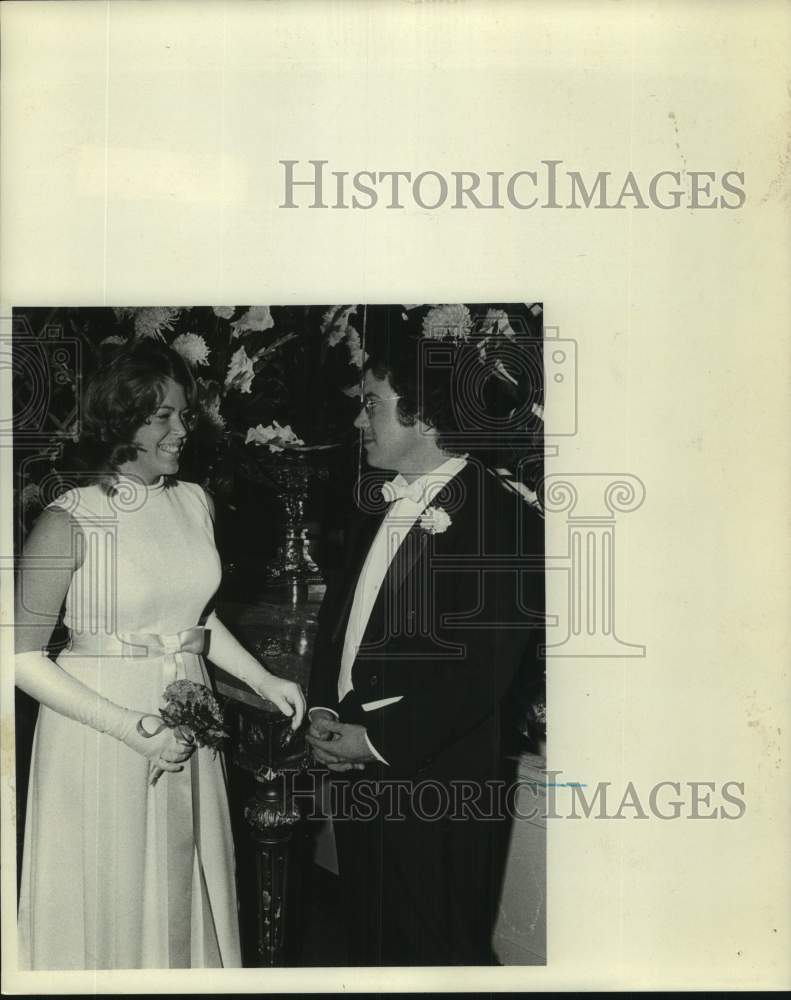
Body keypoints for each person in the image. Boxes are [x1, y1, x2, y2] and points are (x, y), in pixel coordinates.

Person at [14, 340, 306, 970]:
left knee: (184, 873)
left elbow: (192, 619)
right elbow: (18, 656)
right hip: (101, 729)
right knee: (113, 884)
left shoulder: (193, 500)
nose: (181, 431)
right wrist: (134, 729)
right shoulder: (71, 518)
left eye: (183, 415)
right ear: (121, 424)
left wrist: (262, 678)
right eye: (163, 417)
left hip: (186, 714)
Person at [306, 311, 544, 965]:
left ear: (425, 418)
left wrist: (376, 742)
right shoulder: (376, 501)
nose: (359, 421)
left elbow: (481, 674)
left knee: (436, 951)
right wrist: (325, 704)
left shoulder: (506, 524)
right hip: (358, 770)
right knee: (370, 939)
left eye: (371, 406)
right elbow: (341, 625)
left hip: (437, 785)